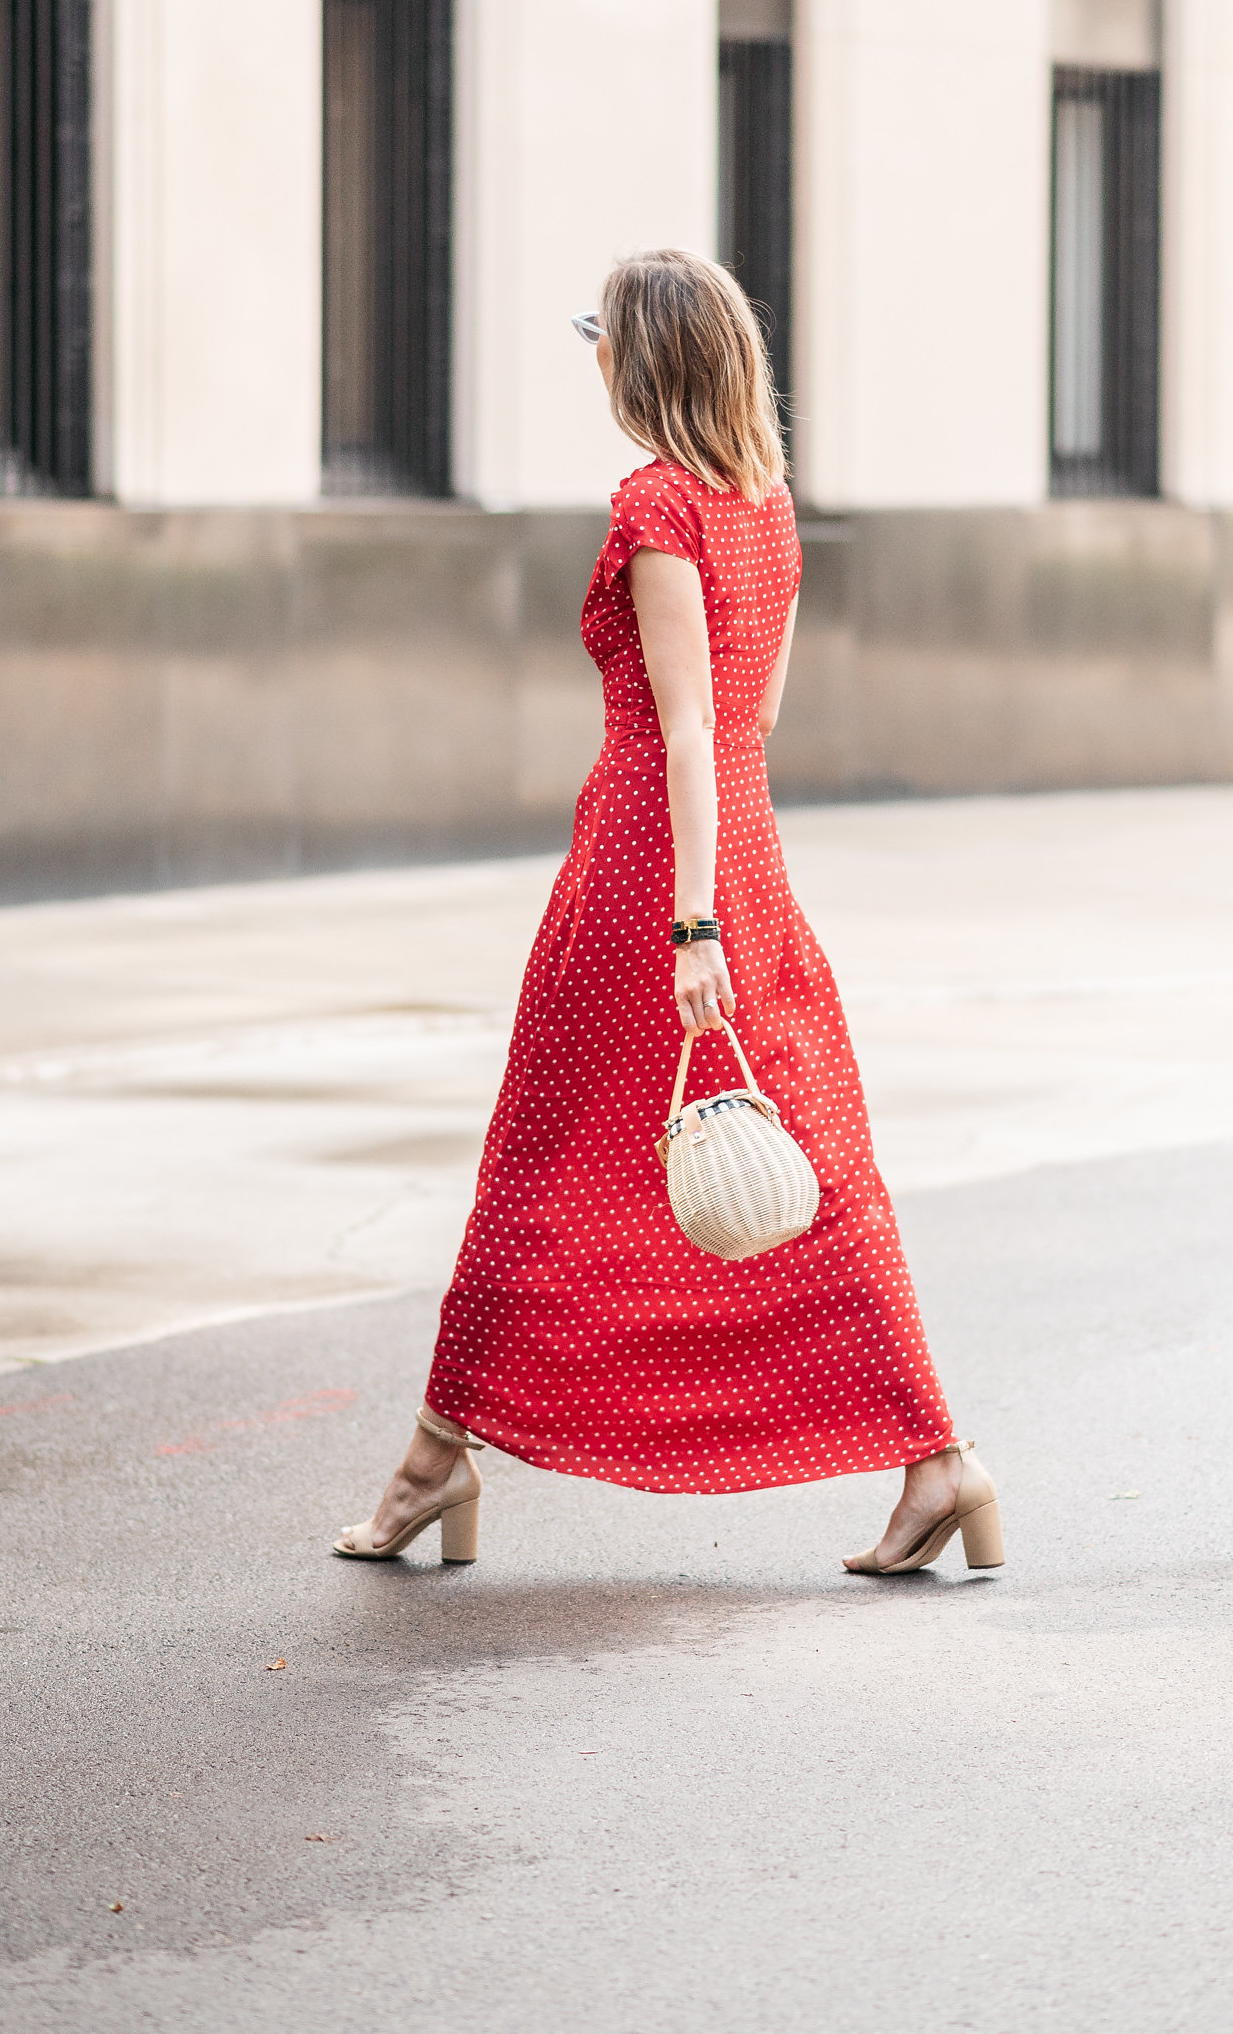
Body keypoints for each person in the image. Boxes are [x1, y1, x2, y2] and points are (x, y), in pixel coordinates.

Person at [332, 248, 1001, 1579]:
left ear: (640, 359)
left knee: (543, 1158)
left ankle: (433, 1464)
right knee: (812, 1151)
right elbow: (757, 718)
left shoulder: (655, 504)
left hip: (653, 860)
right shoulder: (764, 499)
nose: (591, 358)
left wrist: (689, 925)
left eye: (601, 339)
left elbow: (688, 729)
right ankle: (940, 1460)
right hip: (742, 847)